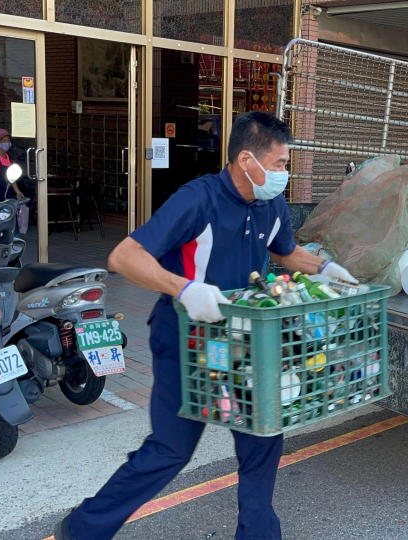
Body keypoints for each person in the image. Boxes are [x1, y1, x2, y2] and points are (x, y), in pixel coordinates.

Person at [54, 112, 357, 540]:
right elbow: (124, 257)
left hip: (244, 341)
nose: (284, 175)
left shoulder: (270, 203)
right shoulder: (198, 200)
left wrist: (326, 268)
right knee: (171, 450)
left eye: (286, 165)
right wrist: (184, 289)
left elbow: (286, 252)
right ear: (246, 160)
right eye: (279, 164)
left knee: (263, 437)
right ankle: (83, 528)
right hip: (186, 340)